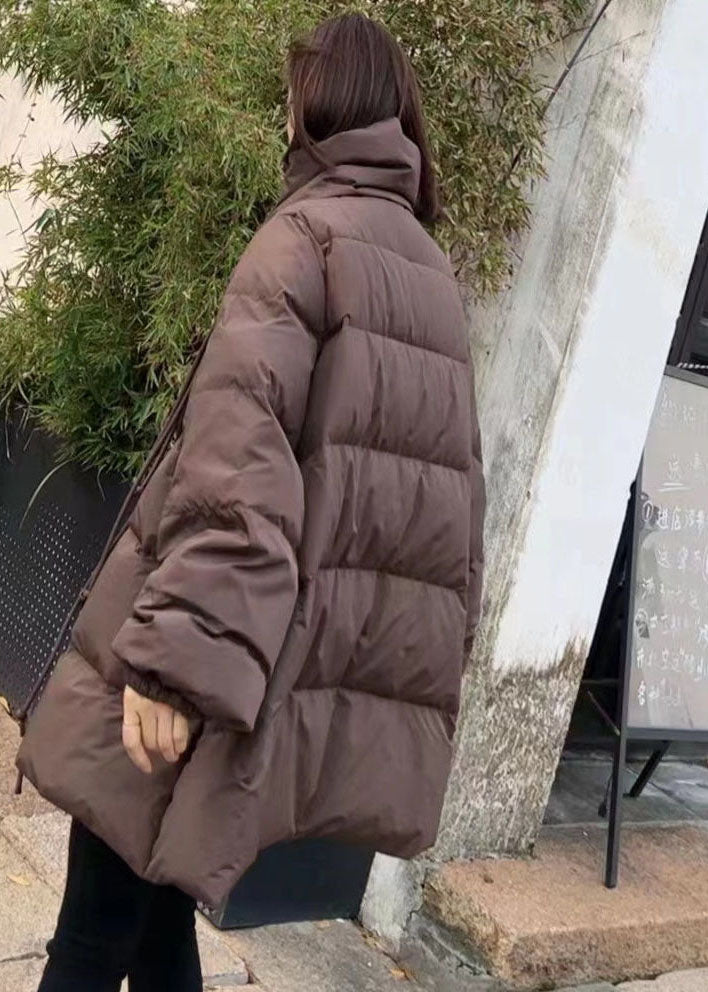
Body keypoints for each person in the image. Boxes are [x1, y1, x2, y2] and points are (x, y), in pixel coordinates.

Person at [17, 12, 485, 991]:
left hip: (206, 645)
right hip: (274, 661)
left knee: (93, 929)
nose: (282, 118)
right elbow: (441, 525)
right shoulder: (429, 275)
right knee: (153, 907)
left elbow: (241, 479)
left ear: (316, 106)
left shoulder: (302, 243)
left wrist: (175, 668)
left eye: (290, 97)